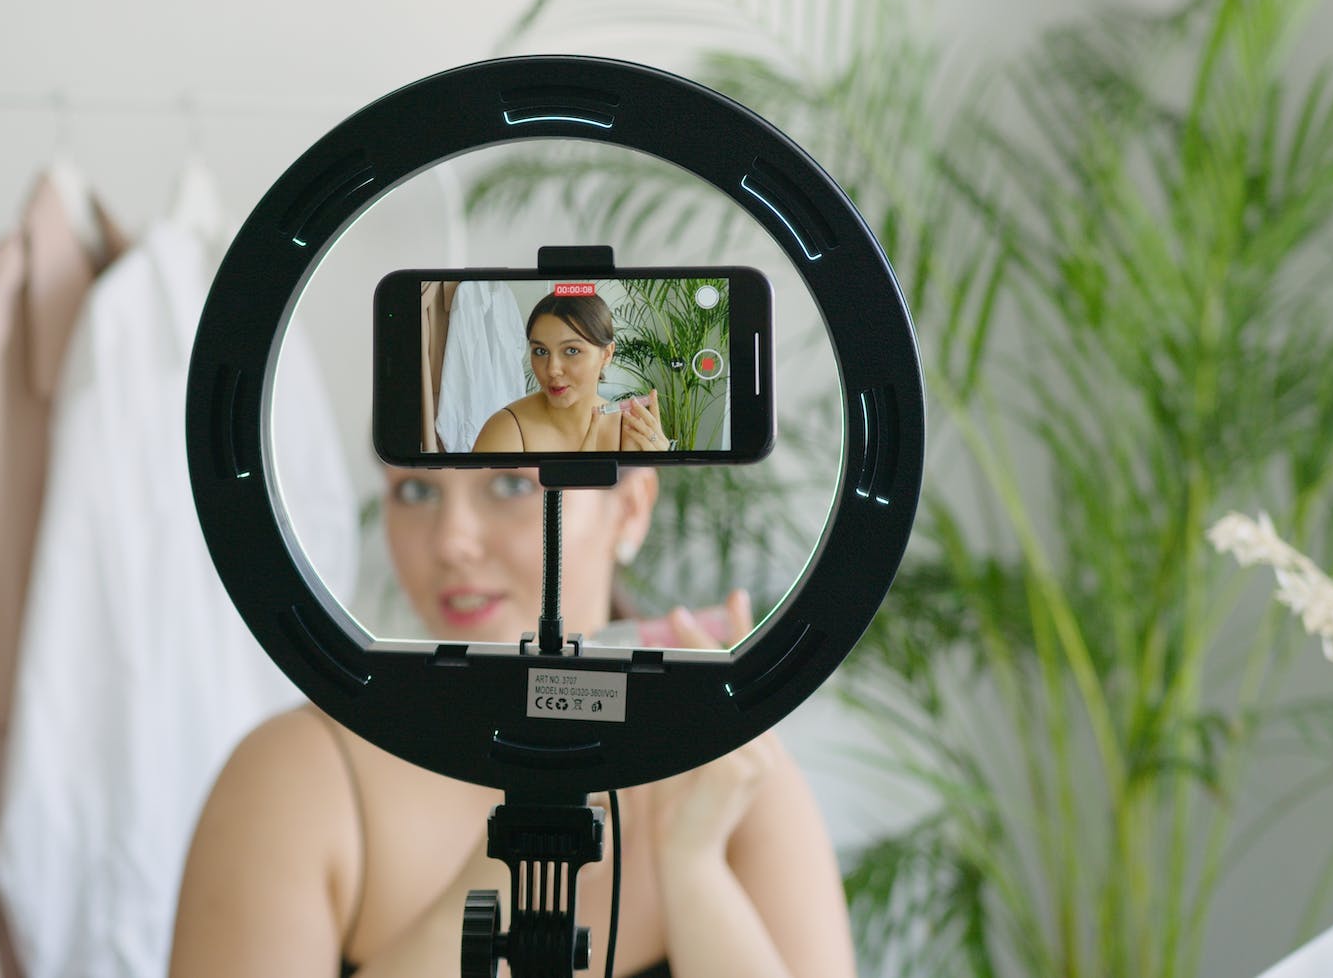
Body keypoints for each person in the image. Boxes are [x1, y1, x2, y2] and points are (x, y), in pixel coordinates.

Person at [169, 466, 857, 978]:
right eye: (415, 491)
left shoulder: (735, 777)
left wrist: (691, 866)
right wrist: (517, 838)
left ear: (631, 508)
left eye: (511, 485)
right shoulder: (298, 777)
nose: (451, 542)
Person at [471, 292, 670, 453]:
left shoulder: (633, 433)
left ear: (607, 354)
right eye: (541, 351)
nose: (552, 369)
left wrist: (658, 464)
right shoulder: (507, 430)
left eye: (572, 351)